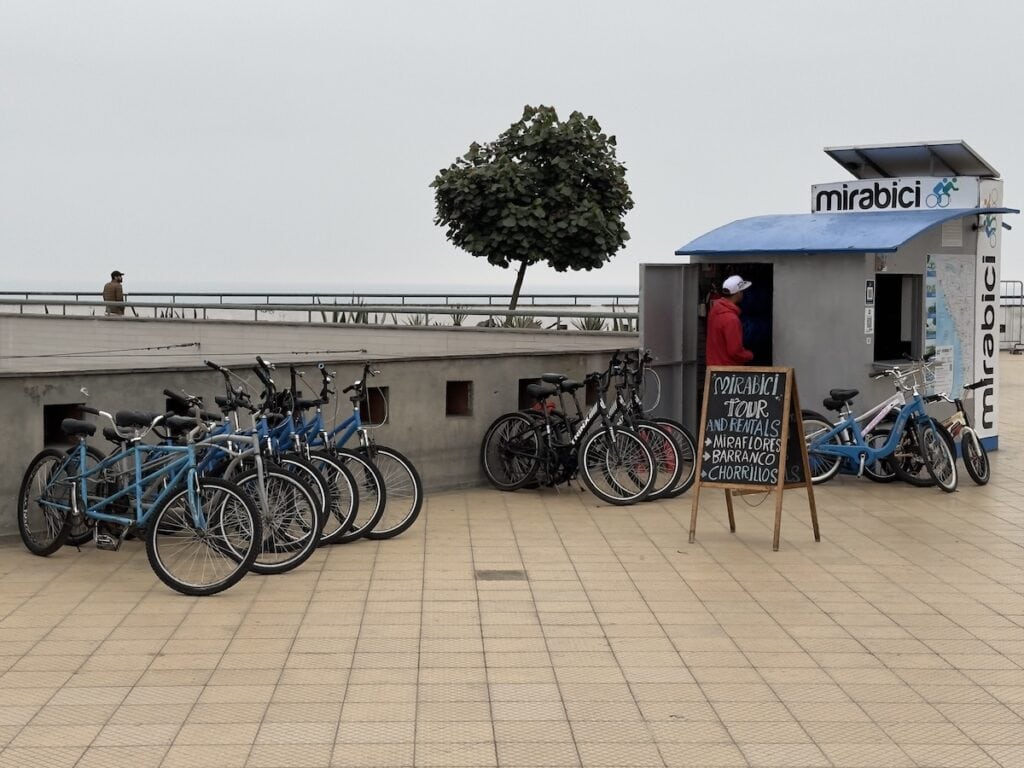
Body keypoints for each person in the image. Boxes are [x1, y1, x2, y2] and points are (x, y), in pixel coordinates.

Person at [706, 274, 754, 366]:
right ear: (738, 293)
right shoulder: (731, 319)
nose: (743, 294)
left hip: (714, 369)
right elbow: (735, 351)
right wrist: (750, 355)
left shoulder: (714, 312)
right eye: (742, 291)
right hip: (729, 372)